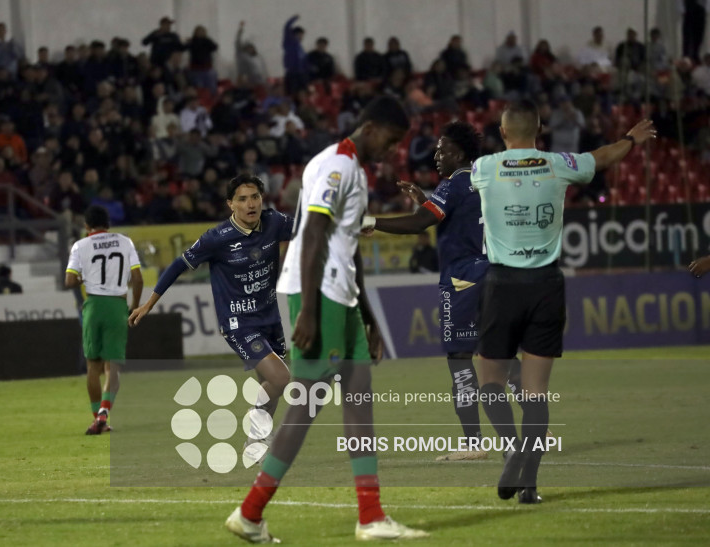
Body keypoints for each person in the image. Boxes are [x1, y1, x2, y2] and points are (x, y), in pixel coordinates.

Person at [225, 96, 429, 543]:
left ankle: (371, 516)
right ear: (371, 127)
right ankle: (250, 511)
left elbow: (348, 244)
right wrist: (312, 312)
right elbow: (313, 232)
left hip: (341, 295)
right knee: (307, 401)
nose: (393, 151)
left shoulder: (349, 168)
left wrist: (371, 318)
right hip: (319, 295)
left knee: (357, 396)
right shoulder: (338, 165)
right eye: (392, 141)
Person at [470, 100, 657, 504]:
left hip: (502, 284)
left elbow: (454, 192)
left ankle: (512, 448)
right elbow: (604, 158)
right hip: (546, 284)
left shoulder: (484, 168)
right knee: (536, 393)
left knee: (489, 381)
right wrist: (630, 138)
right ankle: (531, 486)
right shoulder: (558, 163)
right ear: (539, 129)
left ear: (503, 133)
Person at [362, 122, 519, 461]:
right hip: (492, 270)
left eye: (442, 149)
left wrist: (373, 222)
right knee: (496, 352)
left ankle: (473, 443)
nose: (436, 155)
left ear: (459, 153)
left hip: (462, 277)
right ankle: (538, 424)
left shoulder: (454, 182)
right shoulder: (480, 181)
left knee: (459, 357)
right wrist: (425, 199)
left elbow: (421, 223)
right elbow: (454, 216)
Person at [129, 174, 293, 455]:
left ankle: (257, 439)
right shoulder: (217, 238)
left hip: (270, 316)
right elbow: (178, 266)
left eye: (254, 197)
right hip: (238, 322)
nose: (250, 204)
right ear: (231, 204)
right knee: (280, 378)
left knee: (268, 384)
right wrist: (148, 304)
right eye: (242, 199)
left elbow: (312, 226)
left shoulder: (275, 222)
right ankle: (256, 431)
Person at [64, 205, 143, 435]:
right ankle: (104, 412)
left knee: (93, 366)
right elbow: (137, 279)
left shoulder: (80, 245)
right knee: (113, 366)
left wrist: (81, 277)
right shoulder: (124, 241)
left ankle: (97, 418)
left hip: (93, 306)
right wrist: (135, 307)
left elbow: (69, 282)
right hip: (117, 305)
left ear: (87, 227)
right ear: (108, 224)